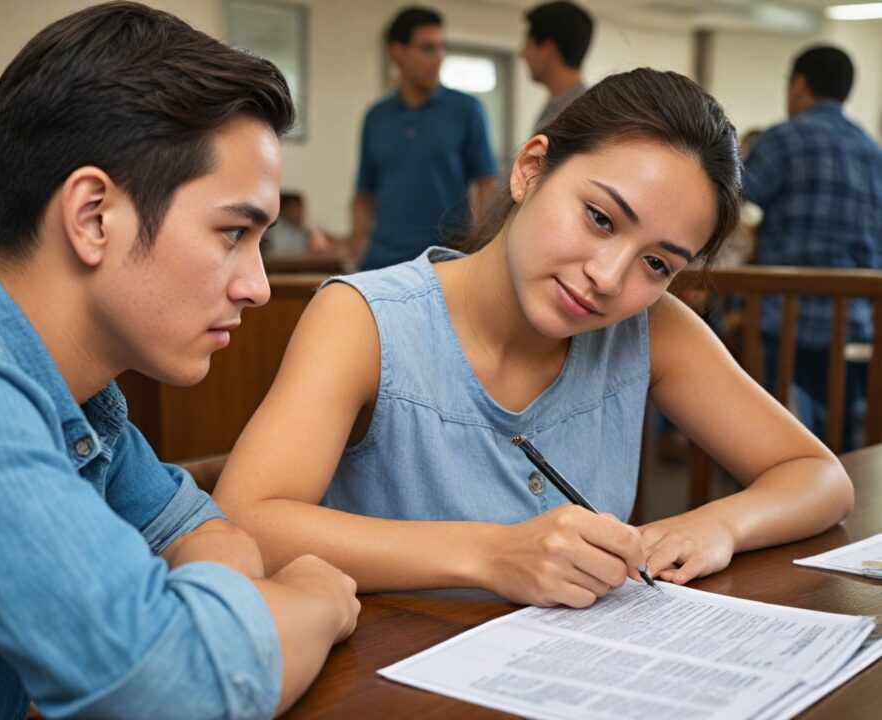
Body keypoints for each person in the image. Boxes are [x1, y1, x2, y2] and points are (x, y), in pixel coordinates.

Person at [215, 69, 853, 610]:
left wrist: (719, 524)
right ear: (530, 170)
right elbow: (245, 519)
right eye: (600, 218)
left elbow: (818, 477)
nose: (608, 278)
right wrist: (492, 553)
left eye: (658, 264)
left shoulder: (652, 330)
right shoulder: (367, 319)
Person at [0, 4, 359, 719]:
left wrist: (199, 612)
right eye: (232, 233)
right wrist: (314, 598)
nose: (256, 286)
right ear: (94, 216)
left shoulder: (86, 404)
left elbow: (206, 532)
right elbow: (170, 686)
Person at [743, 45, 882, 450]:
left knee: (765, 438)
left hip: (785, 317)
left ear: (799, 85)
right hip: (855, 318)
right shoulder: (873, 152)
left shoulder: (783, 139)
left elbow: (731, 201)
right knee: (836, 435)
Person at [349, 6, 498, 271]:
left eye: (442, 48)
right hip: (382, 265)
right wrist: (353, 248)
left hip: (445, 263)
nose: (438, 57)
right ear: (396, 52)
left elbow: (486, 185)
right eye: (428, 48)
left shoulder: (466, 110)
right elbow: (363, 196)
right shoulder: (376, 117)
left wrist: (483, 249)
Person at [520, 1, 594, 131]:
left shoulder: (580, 117)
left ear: (547, 50)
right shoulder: (558, 108)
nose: (522, 54)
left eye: (528, 45)